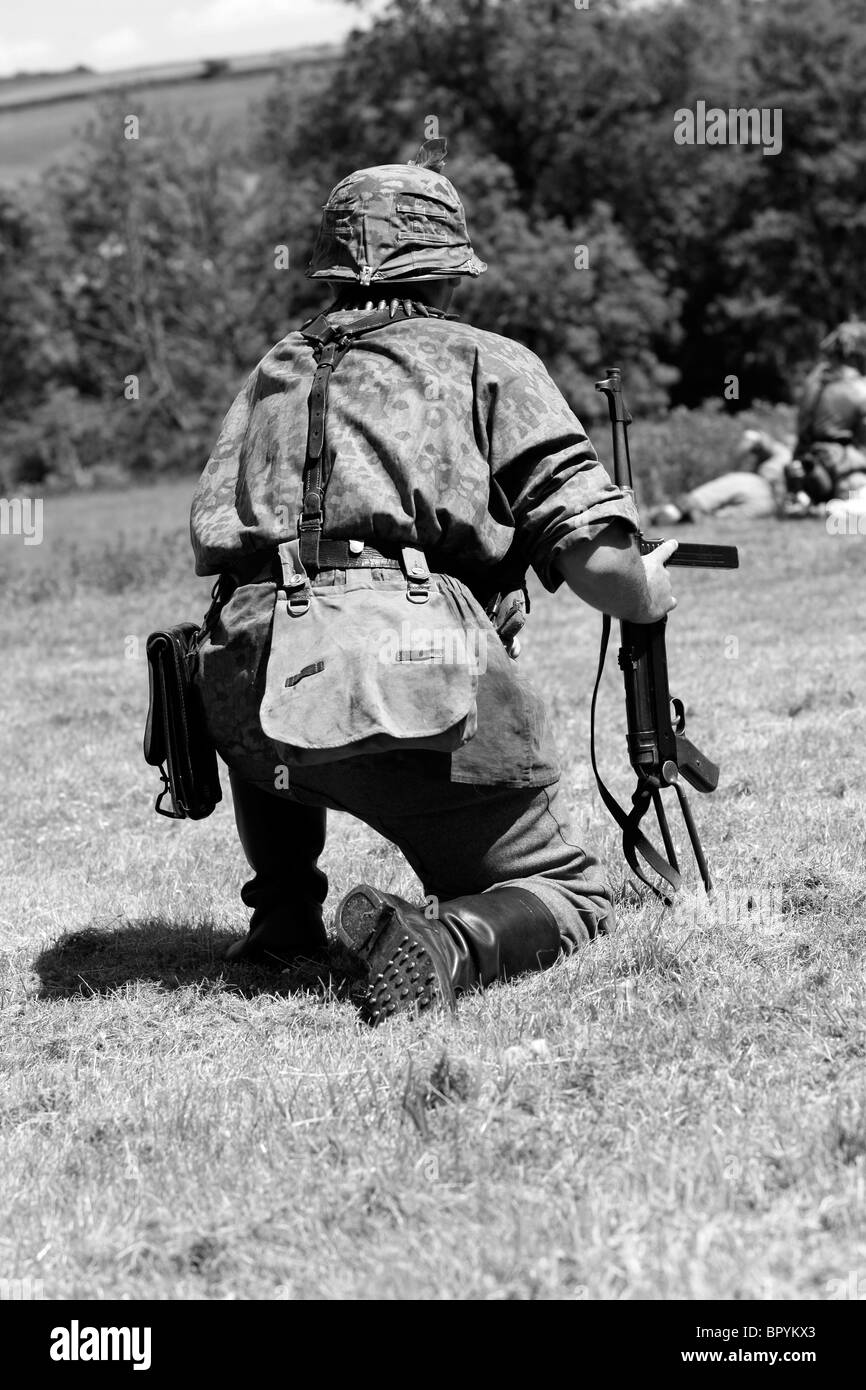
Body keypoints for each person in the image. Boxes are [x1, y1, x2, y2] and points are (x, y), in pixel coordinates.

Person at [189, 144, 676, 1024]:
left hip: (249, 705)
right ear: (448, 271)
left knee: (271, 620)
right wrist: (649, 589)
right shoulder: (486, 360)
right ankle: (447, 942)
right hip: (403, 685)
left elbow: (235, 549)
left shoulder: (276, 368)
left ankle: (286, 919)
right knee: (570, 894)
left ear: (338, 269)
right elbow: (600, 567)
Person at [788, 320, 866, 505]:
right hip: (845, 475)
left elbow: (802, 429)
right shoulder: (859, 388)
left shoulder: (812, 382)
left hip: (806, 468)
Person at [649, 428, 793, 527]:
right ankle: (688, 517)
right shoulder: (797, 458)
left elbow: (751, 437)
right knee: (720, 517)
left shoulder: (785, 453)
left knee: (708, 498)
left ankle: (677, 510)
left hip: (760, 487)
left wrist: (733, 466)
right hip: (770, 508)